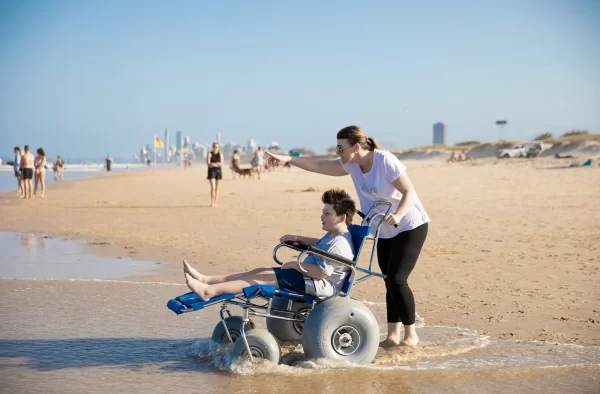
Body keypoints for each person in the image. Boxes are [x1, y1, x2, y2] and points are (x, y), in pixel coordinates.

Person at [264, 125, 430, 349]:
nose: (337, 152)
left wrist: (398, 215)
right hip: (383, 229)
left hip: (410, 225)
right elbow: (318, 164)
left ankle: (411, 336)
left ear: (356, 146)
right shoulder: (351, 165)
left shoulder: (384, 160)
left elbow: (409, 191)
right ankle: (393, 335)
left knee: (397, 279)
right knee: (387, 280)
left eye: (341, 147)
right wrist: (286, 159)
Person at [184, 189, 356, 300]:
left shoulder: (339, 244)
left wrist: (296, 265)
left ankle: (208, 292)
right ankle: (206, 280)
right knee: (259, 272)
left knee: (262, 278)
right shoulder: (334, 235)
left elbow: (321, 273)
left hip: (317, 285)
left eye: (327, 213)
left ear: (341, 218)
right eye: (322, 212)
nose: (322, 216)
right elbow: (319, 243)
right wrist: (298, 238)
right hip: (308, 279)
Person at [206, 142, 224, 207]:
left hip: (218, 171)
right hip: (211, 172)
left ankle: (215, 202)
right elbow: (208, 164)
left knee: (217, 187)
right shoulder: (210, 154)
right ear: (212, 147)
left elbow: (221, 164)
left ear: (218, 147)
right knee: (213, 187)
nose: (215, 148)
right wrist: (217, 164)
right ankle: (212, 202)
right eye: (214, 146)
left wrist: (213, 164)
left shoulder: (220, 154)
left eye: (216, 147)